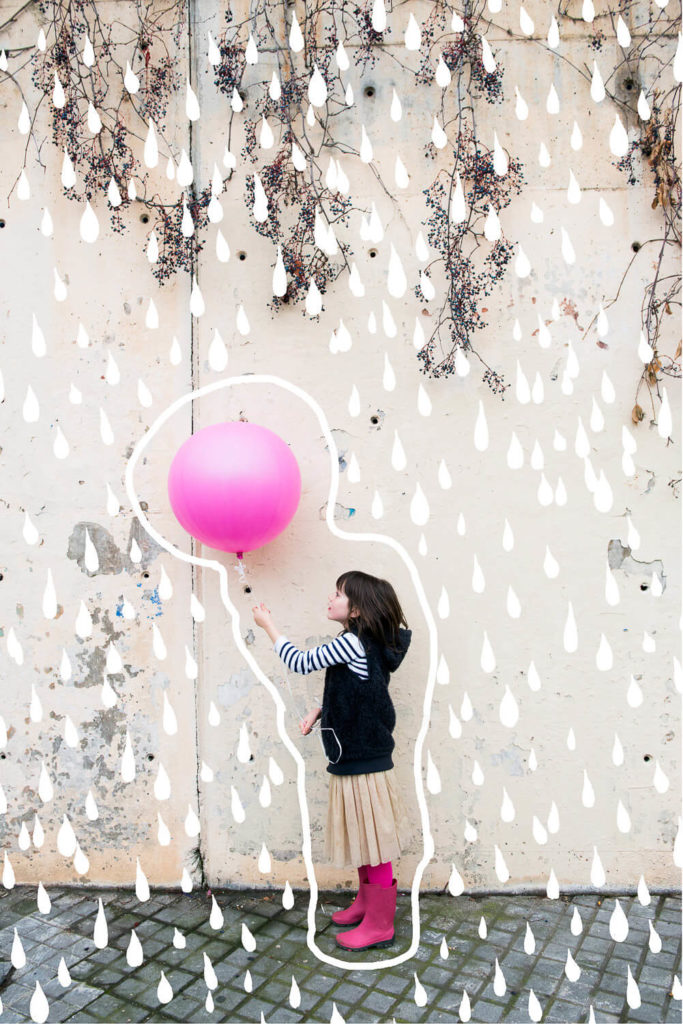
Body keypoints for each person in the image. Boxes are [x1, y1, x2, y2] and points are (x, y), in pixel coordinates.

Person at [252, 570, 411, 952]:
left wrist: (268, 624)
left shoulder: (353, 642)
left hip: (362, 755)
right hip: (358, 750)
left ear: (356, 610)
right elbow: (360, 692)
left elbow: (299, 661)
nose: (331, 598)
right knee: (363, 835)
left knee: (374, 842)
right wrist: (320, 711)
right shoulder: (362, 643)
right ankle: (366, 905)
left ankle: (380, 925)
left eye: (338, 594)